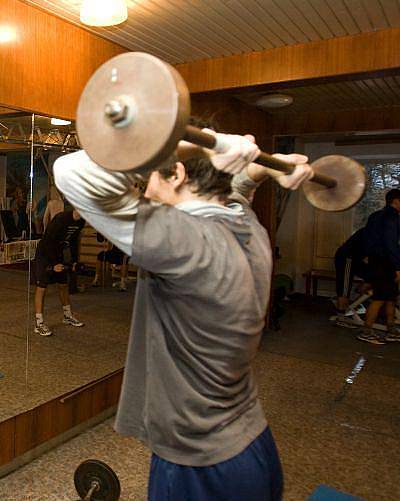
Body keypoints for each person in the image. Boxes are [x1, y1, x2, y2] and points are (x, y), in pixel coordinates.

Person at [54, 123, 313, 500]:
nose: (144, 191)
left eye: (149, 179)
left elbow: (70, 172)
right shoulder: (247, 229)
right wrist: (260, 169)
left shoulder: (186, 241)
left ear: (175, 174)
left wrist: (181, 145)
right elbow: (234, 195)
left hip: (200, 465)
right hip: (251, 444)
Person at [31, 208, 86, 336]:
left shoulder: (81, 222)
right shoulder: (61, 219)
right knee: (41, 287)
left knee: (63, 285)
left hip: (58, 252)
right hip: (44, 253)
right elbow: (49, 241)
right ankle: (39, 324)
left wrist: (74, 261)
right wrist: (54, 263)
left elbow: (73, 241)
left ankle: (67, 316)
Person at [358, 189, 400, 344]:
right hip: (385, 262)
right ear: (396, 201)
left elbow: (367, 239)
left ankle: (391, 329)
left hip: (376, 261)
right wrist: (398, 267)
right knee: (381, 297)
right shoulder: (392, 217)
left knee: (390, 297)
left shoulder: (375, 216)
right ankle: (366, 331)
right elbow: (391, 244)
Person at [333, 227, 369, 314]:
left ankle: (354, 303)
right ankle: (341, 312)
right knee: (345, 287)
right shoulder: (372, 232)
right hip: (347, 257)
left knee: (375, 278)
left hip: (357, 258)